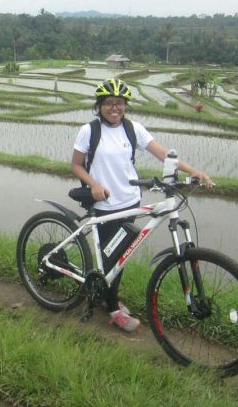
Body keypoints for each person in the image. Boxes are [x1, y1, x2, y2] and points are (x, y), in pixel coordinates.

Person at [71, 77, 213, 332]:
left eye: (119, 103)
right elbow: (76, 165)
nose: (114, 108)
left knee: (121, 257)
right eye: (108, 103)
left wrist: (195, 171)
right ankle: (113, 307)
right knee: (111, 257)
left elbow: (163, 154)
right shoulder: (89, 131)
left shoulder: (133, 129)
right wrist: (93, 184)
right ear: (99, 106)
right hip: (103, 205)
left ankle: (107, 296)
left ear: (125, 106)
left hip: (129, 202)